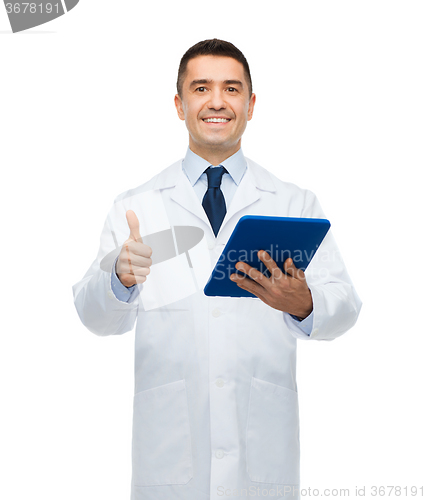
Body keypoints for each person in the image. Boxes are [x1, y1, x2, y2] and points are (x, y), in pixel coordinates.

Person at [73, 39, 362, 500]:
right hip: (169, 457)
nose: (216, 101)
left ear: (250, 104)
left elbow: (346, 306)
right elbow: (93, 316)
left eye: (231, 88)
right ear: (179, 103)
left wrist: (305, 304)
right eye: (200, 87)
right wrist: (119, 279)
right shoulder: (137, 206)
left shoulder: (294, 202)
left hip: (260, 454)